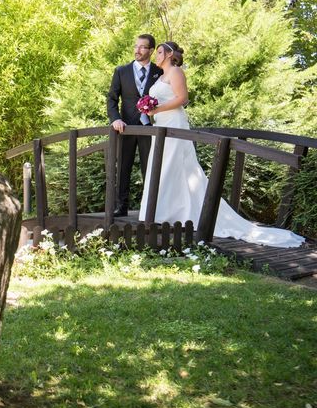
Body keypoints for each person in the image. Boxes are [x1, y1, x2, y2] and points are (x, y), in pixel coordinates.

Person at [139, 41, 304, 248]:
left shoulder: (176, 72)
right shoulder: (160, 76)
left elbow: (182, 98)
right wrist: (149, 108)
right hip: (161, 125)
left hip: (174, 123)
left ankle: (172, 212)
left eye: (160, 52)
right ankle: (161, 210)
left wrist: (158, 108)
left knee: (175, 164)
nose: (156, 55)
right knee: (161, 165)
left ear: (169, 54)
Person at [107, 34, 163, 217]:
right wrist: (115, 119)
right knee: (123, 167)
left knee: (150, 167)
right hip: (125, 127)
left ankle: (149, 207)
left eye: (142, 47)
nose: (137, 50)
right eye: (136, 46)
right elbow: (112, 99)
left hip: (149, 127)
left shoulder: (159, 72)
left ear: (151, 50)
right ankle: (121, 206)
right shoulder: (121, 71)